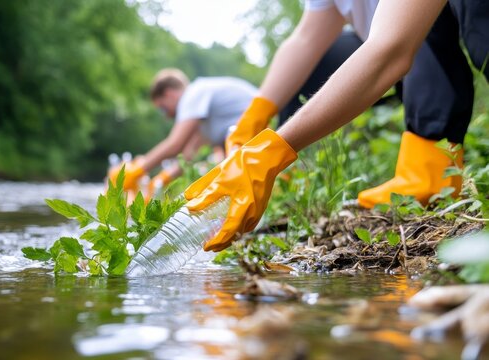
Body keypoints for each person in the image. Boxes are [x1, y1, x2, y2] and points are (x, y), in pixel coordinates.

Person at [187, 0, 488, 252]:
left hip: (424, 30)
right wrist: (253, 118)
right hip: (406, 37)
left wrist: (268, 155)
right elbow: (306, 38)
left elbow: (392, 49)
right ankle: (427, 170)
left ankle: (430, 171)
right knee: (309, 70)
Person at [108, 68, 258, 198]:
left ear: (169, 94)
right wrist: (161, 180)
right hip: (258, 135)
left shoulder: (193, 94)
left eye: (163, 108)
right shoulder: (203, 117)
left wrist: (136, 171)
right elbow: (187, 157)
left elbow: (175, 144)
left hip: (269, 124)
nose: (166, 116)